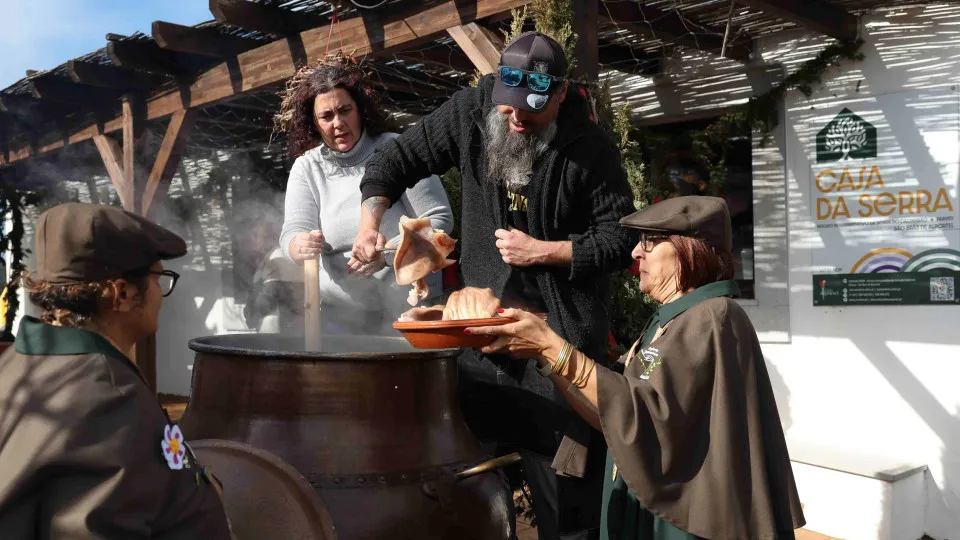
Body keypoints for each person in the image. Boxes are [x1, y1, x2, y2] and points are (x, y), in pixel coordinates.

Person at [353, 31, 637, 539]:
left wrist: (548, 251)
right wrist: (369, 222)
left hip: (555, 354)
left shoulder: (590, 149)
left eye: (532, 111)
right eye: (508, 111)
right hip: (478, 346)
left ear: (561, 92)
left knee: (565, 510)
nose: (517, 120)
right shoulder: (472, 110)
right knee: (466, 496)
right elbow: (392, 162)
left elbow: (620, 238)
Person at [467, 196, 807, 539]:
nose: (635, 253)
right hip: (658, 506)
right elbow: (614, 412)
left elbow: (648, 415)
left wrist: (550, 345)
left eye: (649, 241)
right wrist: (543, 355)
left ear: (688, 249)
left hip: (684, 523)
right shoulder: (673, 320)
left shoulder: (712, 316)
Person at [0, 203, 233, 539]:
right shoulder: (107, 396)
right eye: (158, 279)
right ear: (122, 293)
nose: (161, 296)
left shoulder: (17, 365)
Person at [276, 53, 453, 335]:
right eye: (326, 116)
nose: (338, 123)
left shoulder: (398, 149)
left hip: (409, 310)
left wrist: (387, 254)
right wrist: (298, 245)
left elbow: (440, 221)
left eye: (345, 110)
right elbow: (292, 231)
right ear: (313, 123)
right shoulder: (306, 168)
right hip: (338, 319)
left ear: (360, 109)